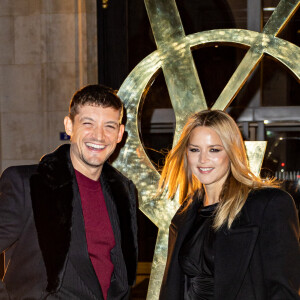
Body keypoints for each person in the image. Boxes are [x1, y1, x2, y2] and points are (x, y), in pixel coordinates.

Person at [0, 84, 138, 300]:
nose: (99, 136)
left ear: (120, 134)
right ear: (69, 126)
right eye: (88, 123)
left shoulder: (124, 190)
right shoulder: (28, 184)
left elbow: (119, 267)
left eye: (109, 126)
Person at [158, 110, 300, 299]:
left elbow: (283, 292)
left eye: (214, 150)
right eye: (194, 149)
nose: (203, 160)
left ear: (232, 152)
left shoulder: (268, 205)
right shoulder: (185, 214)